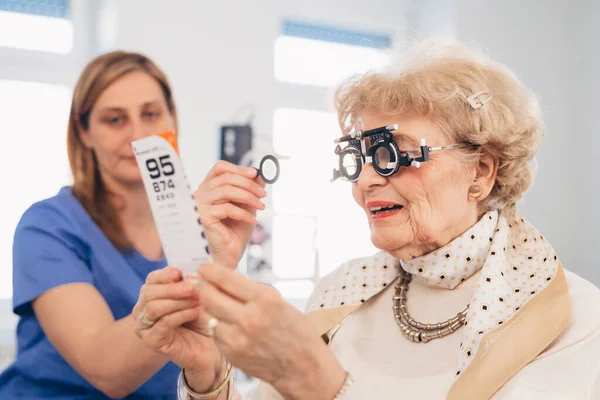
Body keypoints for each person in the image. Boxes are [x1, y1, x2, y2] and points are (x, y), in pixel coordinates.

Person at [132, 40, 600, 399]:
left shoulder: (572, 320)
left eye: (394, 154)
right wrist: (208, 369)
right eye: (360, 157)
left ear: (480, 171)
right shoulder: (340, 293)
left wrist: (323, 383)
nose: (367, 181)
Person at [0, 50, 265, 399]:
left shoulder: (202, 226)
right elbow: (106, 369)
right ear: (84, 133)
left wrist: (215, 261)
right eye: (114, 119)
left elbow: (204, 362)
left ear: (172, 121)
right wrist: (205, 266)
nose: (138, 135)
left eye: (151, 114)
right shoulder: (47, 227)